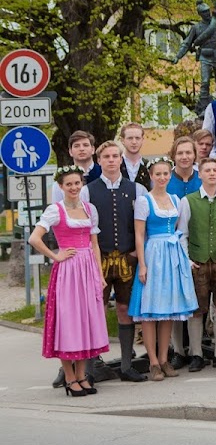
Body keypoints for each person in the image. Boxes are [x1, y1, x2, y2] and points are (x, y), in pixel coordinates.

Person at [31, 166, 108, 397]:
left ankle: (82, 375)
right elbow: (34, 238)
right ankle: (69, 377)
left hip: (88, 269)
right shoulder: (55, 210)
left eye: (77, 183)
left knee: (85, 320)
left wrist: (99, 275)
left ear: (82, 184)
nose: (74, 188)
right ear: (61, 187)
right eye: (69, 184)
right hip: (68, 271)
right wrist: (56, 256)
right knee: (69, 322)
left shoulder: (89, 208)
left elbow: (94, 244)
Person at [130, 159, 199, 381]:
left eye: (165, 174)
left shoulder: (175, 199)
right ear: (151, 176)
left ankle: (164, 359)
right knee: (150, 312)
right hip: (153, 254)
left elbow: (179, 230)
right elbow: (140, 234)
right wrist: (142, 264)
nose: (162, 177)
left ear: (170, 175)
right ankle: (153, 362)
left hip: (171, 255)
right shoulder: (144, 201)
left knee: (168, 309)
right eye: (158, 174)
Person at [84, 141, 148, 382]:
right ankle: (91, 367)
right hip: (98, 258)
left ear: (121, 160)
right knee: (96, 310)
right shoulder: (87, 191)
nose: (111, 160)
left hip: (126, 258)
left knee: (124, 308)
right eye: (106, 156)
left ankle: (126, 365)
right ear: (99, 160)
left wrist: (136, 254)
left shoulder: (137, 189)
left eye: (115, 156)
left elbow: (143, 225)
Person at [177, 159, 216, 371]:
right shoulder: (188, 201)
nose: (212, 173)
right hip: (198, 262)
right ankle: (196, 354)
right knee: (197, 308)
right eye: (207, 170)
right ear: (200, 174)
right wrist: (187, 260)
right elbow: (182, 233)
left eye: (215, 170)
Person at [50, 131, 100, 203]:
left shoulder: (104, 173)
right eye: (76, 146)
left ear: (93, 150)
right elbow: (57, 206)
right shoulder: (62, 178)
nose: (81, 149)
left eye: (85, 145)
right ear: (70, 151)